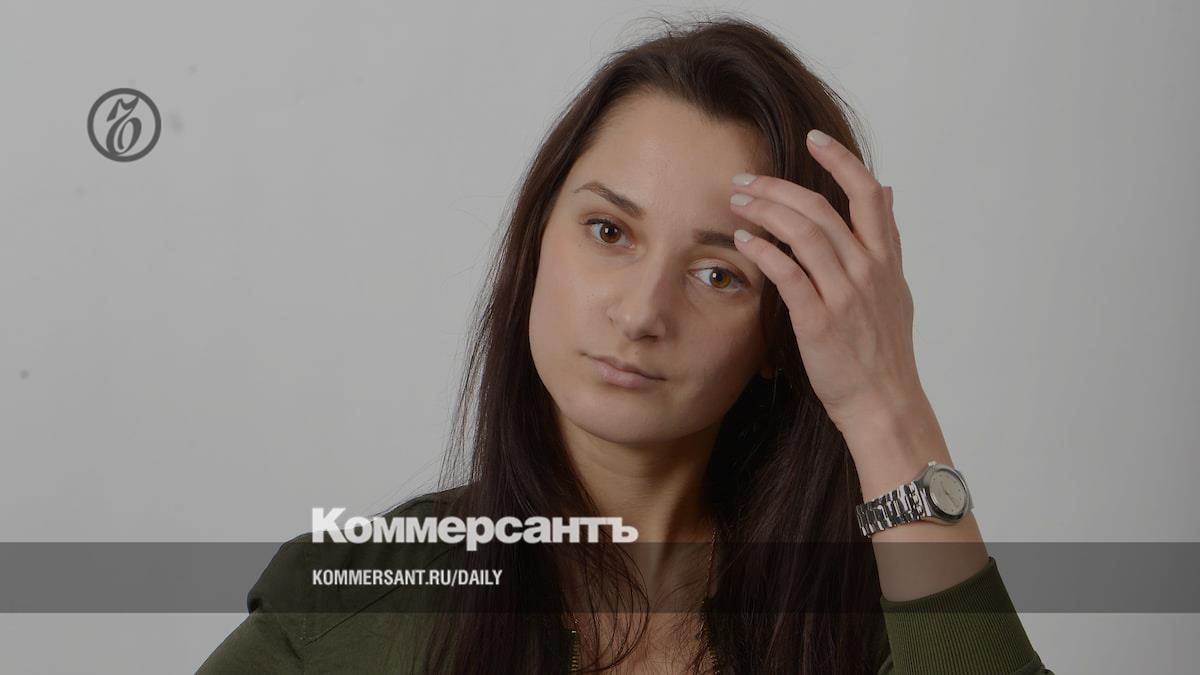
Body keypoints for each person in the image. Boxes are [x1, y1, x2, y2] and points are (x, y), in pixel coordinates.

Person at [200, 15, 1052, 674]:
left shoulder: (883, 615)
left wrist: (884, 402)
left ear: (782, 333)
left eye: (718, 273)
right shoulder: (352, 604)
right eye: (609, 231)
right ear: (537, 240)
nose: (643, 312)